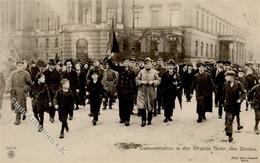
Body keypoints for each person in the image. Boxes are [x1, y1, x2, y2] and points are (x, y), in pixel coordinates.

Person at [107, 53, 136, 126]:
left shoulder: (132, 72)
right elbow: (112, 66)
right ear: (122, 63)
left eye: (127, 62)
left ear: (129, 63)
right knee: (121, 104)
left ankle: (127, 119)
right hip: (121, 90)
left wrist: (134, 92)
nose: (126, 63)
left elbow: (133, 82)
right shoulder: (120, 69)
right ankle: (122, 118)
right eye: (125, 62)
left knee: (128, 105)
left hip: (128, 90)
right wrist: (109, 58)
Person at [136, 57, 160, 127]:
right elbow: (137, 79)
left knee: (150, 107)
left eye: (149, 64)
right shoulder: (141, 72)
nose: (147, 65)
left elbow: (159, 80)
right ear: (144, 65)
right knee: (142, 106)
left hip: (150, 91)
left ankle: (149, 119)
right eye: (146, 64)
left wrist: (153, 82)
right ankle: (143, 120)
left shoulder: (154, 72)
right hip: (142, 91)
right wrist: (141, 82)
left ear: (151, 64)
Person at [223, 70, 246, 142]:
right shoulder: (225, 84)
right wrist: (223, 101)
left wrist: (240, 100)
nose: (225, 77)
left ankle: (228, 130)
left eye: (227, 76)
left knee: (230, 120)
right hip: (228, 105)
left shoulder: (238, 84)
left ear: (232, 77)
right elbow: (222, 93)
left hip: (236, 105)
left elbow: (243, 93)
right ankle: (230, 135)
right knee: (229, 120)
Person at [8, 60, 32, 125]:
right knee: (15, 104)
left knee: (19, 104)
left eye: (21, 65)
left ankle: (17, 119)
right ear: (16, 66)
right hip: (14, 92)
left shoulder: (26, 73)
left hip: (21, 92)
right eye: (19, 66)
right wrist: (9, 88)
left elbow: (30, 84)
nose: (20, 67)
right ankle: (24, 112)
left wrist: (25, 89)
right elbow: (9, 81)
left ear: (23, 66)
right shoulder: (12, 73)